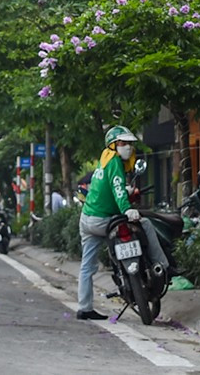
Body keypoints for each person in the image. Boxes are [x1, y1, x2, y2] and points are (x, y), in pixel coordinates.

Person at [76, 125, 140, 320]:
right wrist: (127, 209)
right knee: (141, 229)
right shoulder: (115, 162)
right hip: (103, 219)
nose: (127, 147)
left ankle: (84, 308)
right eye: (122, 143)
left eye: (129, 143)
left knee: (87, 266)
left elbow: (107, 188)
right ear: (113, 145)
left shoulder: (104, 159)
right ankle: (154, 268)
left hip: (87, 218)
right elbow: (118, 187)